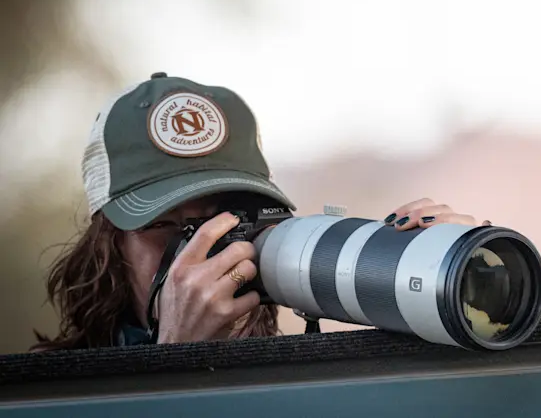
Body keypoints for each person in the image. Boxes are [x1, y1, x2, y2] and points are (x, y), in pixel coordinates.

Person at [32, 72, 489, 350]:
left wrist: (433, 297)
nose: (205, 252)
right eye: (169, 226)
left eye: (231, 222)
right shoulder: (49, 392)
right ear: (108, 247)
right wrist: (173, 360)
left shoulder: (297, 382)